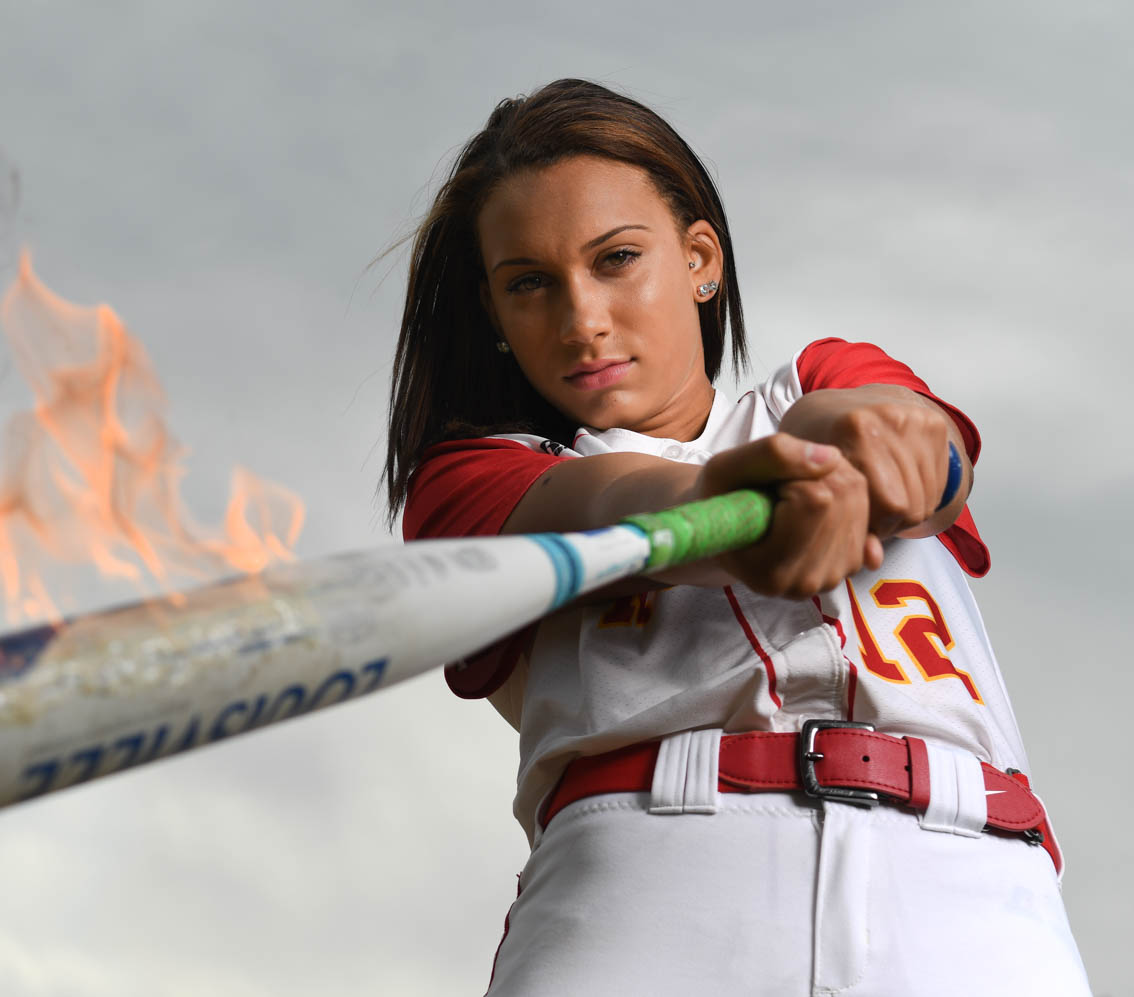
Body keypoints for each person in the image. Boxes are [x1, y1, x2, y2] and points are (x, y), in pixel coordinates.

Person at [385, 79, 1090, 995]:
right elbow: (616, 498)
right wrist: (727, 501)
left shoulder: (817, 382)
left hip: (971, 881)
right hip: (654, 880)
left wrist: (867, 439)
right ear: (495, 317)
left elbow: (917, 445)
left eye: (616, 259)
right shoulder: (470, 482)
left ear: (699, 259)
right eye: (530, 284)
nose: (581, 318)